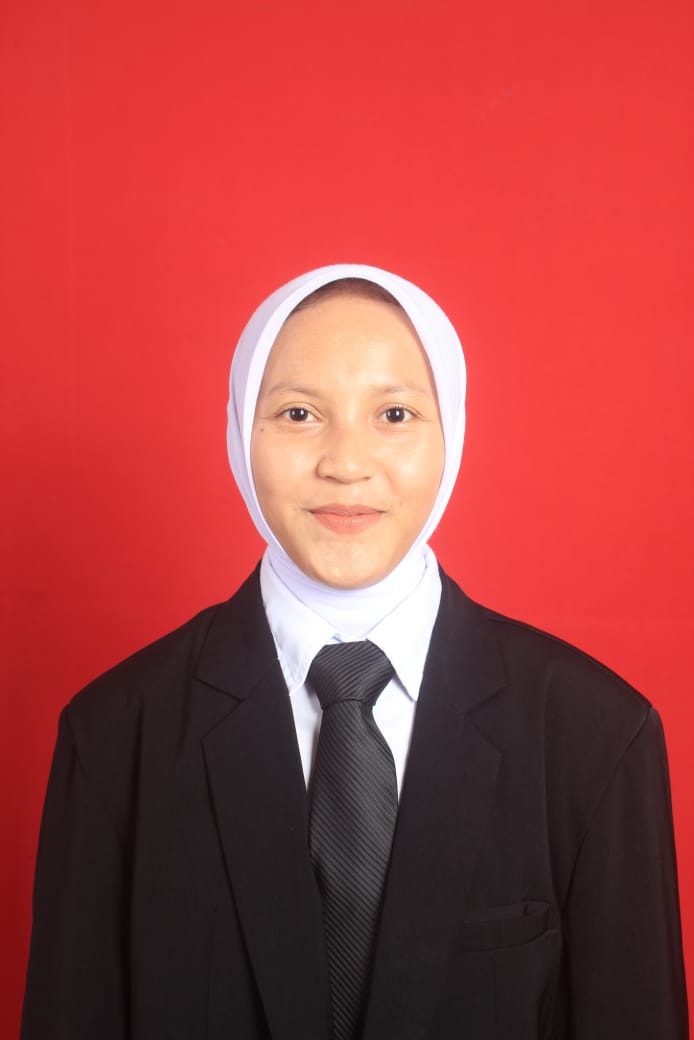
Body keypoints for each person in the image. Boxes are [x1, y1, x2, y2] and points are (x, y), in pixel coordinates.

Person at [22, 264, 688, 1039]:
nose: (345, 463)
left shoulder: (597, 736)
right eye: (299, 413)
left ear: (452, 431)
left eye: (394, 414)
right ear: (240, 429)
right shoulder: (113, 736)